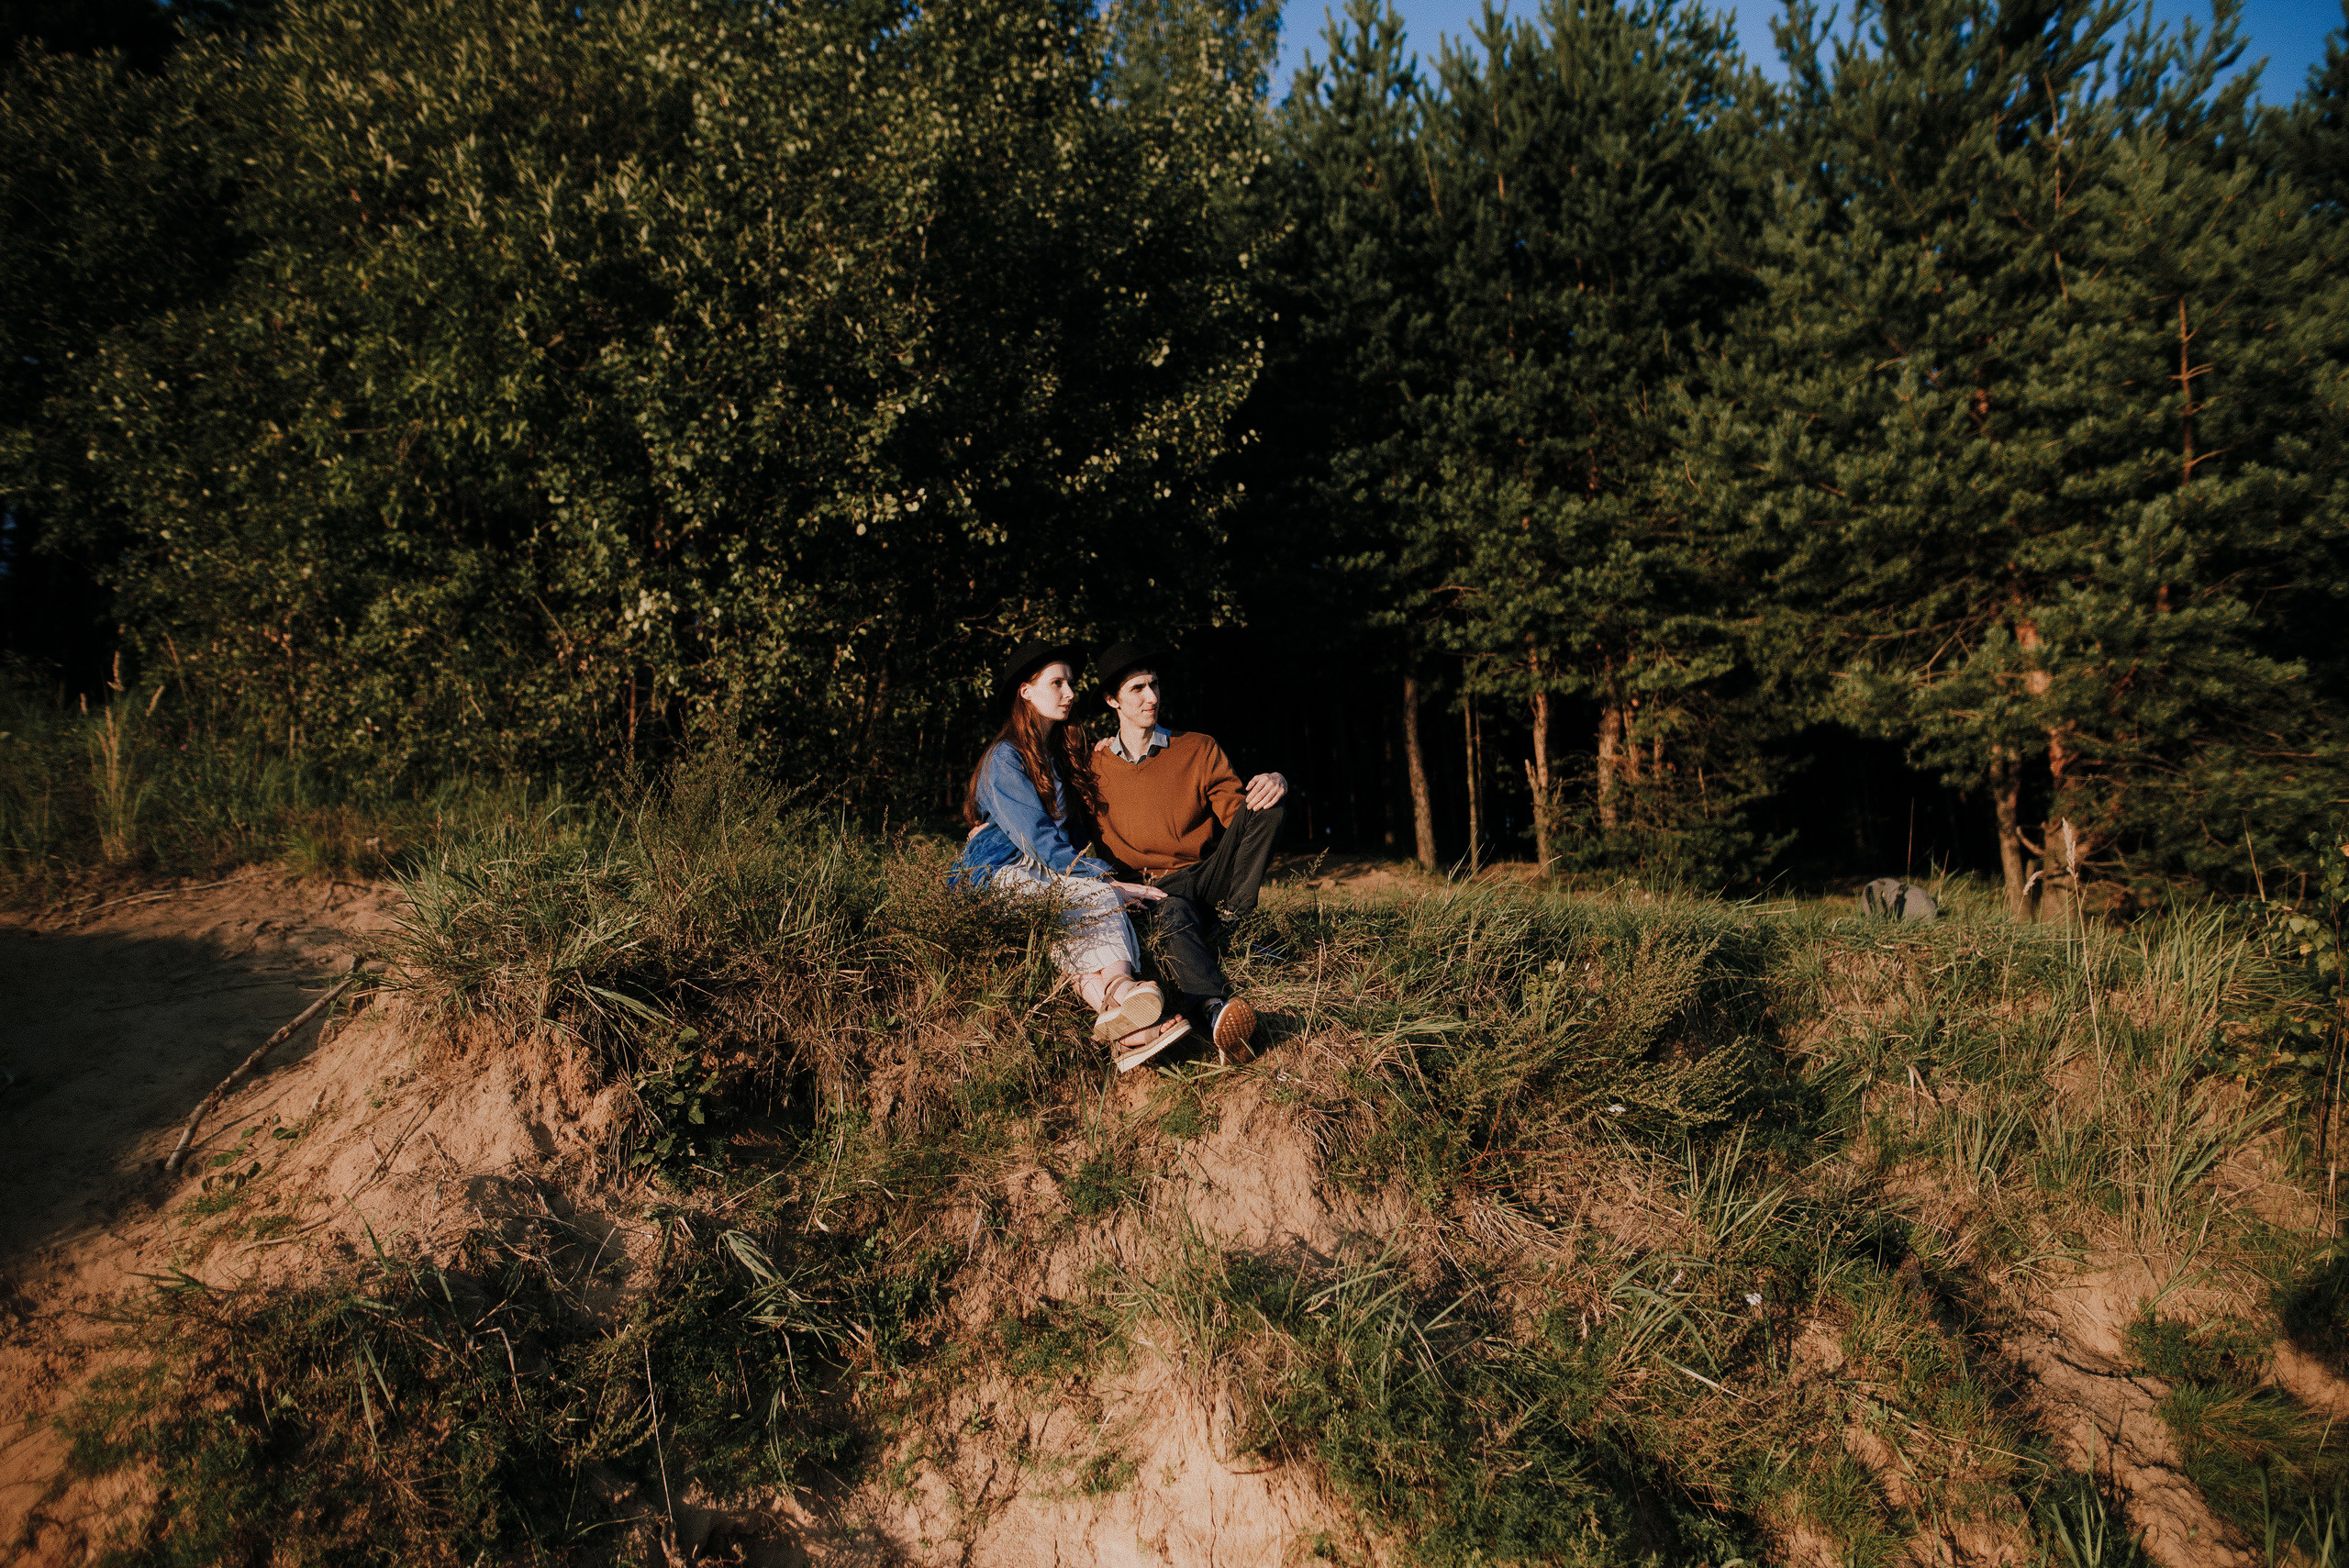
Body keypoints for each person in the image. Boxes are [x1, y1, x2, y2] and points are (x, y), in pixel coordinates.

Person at [952, 641, 1193, 1072]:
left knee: (1079, 904)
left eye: (1070, 683)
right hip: (998, 875)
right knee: (1085, 896)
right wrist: (1107, 880)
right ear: (1026, 692)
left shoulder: (1060, 758)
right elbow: (1040, 840)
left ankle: (1123, 1025)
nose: (1069, 692)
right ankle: (1125, 991)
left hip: (1045, 872)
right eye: (1056, 683)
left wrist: (1100, 753)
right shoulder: (1004, 759)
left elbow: (1074, 837)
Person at [1086, 641, 1286, 1064]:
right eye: (1137, 689)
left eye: (1154, 685)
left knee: (1268, 805)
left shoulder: (1197, 748)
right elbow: (1054, 814)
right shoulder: (1094, 766)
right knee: (1174, 914)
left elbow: (1240, 814)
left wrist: (1274, 780)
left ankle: (1232, 918)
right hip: (1155, 892)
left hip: (1208, 876)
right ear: (1112, 700)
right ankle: (1213, 1010)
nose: (1152, 697)